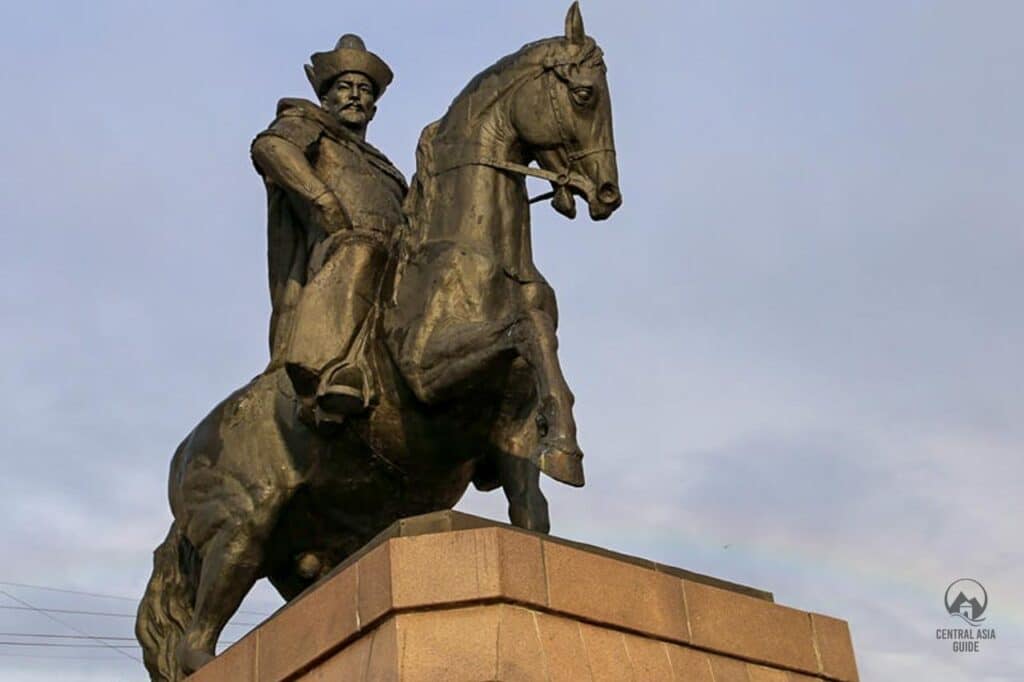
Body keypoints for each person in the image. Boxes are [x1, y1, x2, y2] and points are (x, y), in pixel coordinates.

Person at [251, 34, 407, 424]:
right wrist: (324, 202)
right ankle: (333, 371)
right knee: (363, 250)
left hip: (394, 266)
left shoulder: (388, 170)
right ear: (327, 97)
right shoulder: (306, 125)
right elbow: (270, 148)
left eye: (364, 90)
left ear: (373, 108)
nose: (355, 95)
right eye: (344, 87)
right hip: (334, 256)